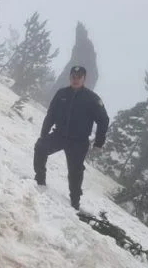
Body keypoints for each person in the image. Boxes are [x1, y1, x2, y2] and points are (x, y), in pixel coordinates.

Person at [33, 65, 109, 210]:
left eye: (79, 77)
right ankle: (39, 180)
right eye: (73, 77)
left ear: (84, 79)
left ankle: (75, 201)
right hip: (59, 135)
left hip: (78, 142)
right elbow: (51, 115)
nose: (75, 79)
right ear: (70, 77)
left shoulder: (92, 99)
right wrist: (44, 134)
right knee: (40, 147)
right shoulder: (61, 93)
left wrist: (99, 142)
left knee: (75, 172)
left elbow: (103, 120)